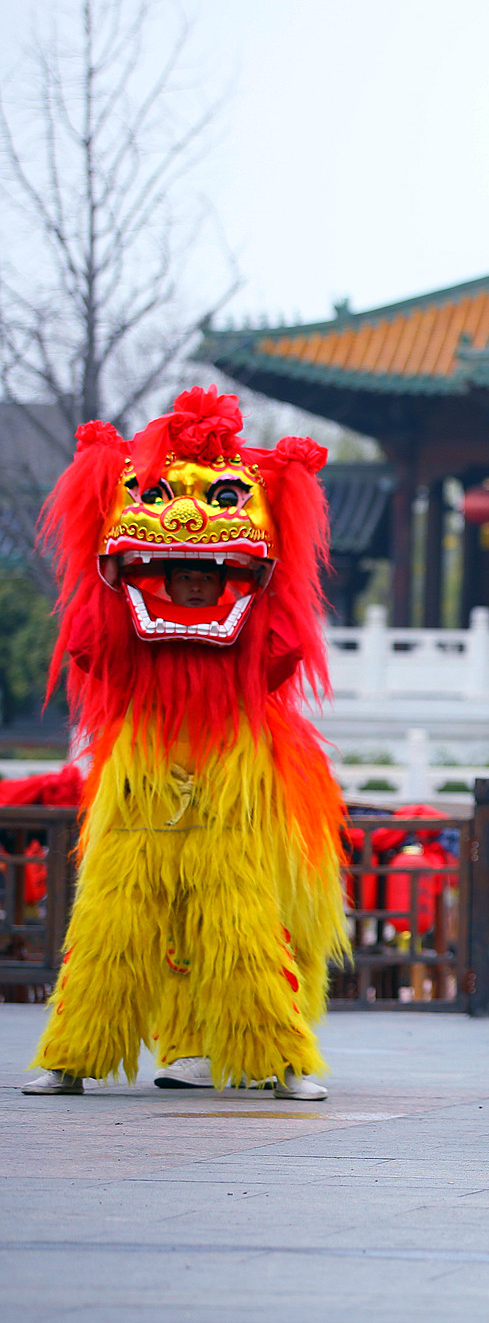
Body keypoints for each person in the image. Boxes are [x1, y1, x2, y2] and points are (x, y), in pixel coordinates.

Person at [23, 387, 346, 1101]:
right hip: (140, 768)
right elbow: (87, 644)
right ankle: (71, 1053)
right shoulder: (121, 622)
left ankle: (279, 1056)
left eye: (206, 575)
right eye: (183, 574)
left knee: (242, 914)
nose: (195, 585)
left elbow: (282, 649)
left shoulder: (258, 626)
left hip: (234, 767)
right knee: (111, 914)